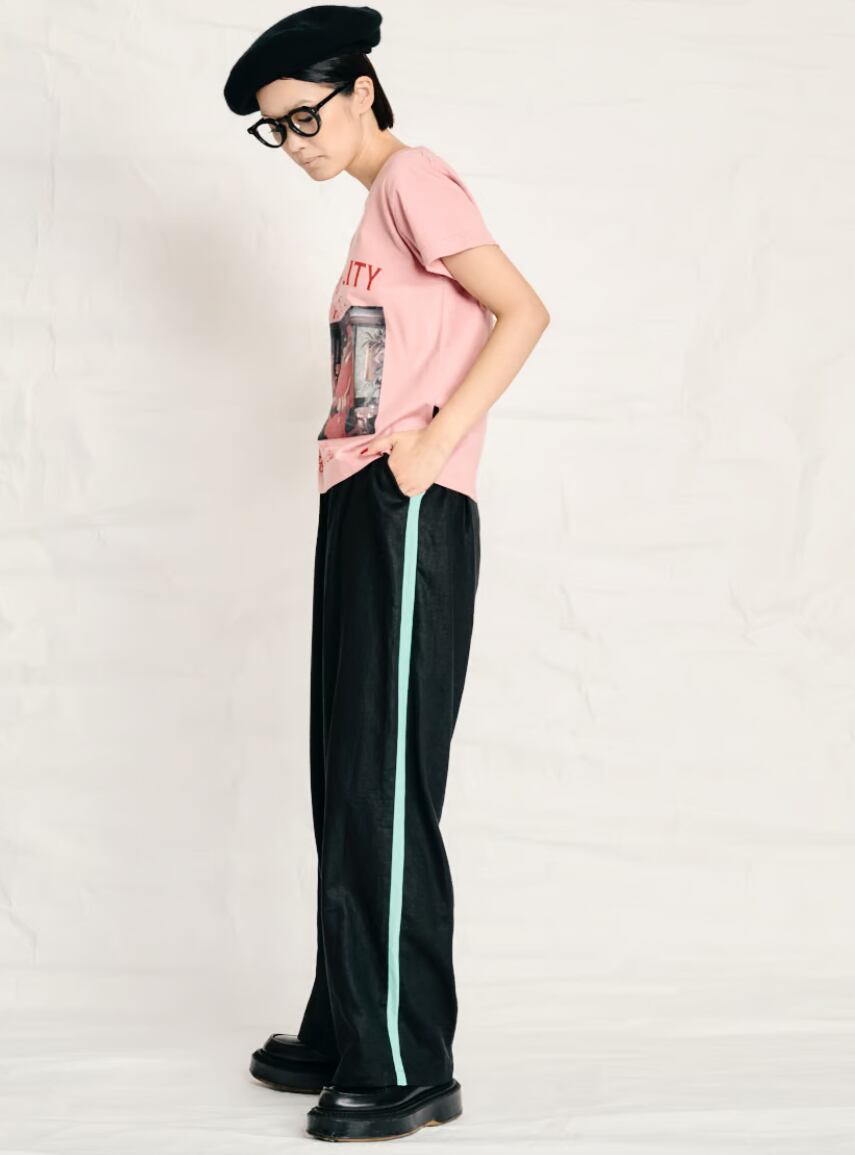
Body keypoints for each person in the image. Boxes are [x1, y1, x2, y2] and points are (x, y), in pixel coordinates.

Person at [224, 4, 550, 1142]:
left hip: (408, 503)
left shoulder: (412, 179)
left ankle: (407, 1060)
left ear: (361, 89)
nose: (296, 142)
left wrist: (430, 445)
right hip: (360, 502)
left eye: (306, 116)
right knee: (344, 771)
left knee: (384, 782)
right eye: (277, 129)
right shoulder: (376, 209)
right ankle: (347, 1021)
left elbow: (523, 311)